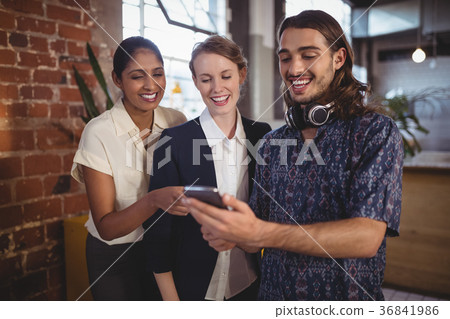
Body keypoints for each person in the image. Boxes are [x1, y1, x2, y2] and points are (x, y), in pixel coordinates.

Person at [184, 10, 403, 301]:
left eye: (308, 55)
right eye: (285, 57)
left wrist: (262, 233)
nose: (294, 68)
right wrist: (235, 233)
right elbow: (255, 237)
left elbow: (366, 238)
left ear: (338, 58)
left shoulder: (375, 132)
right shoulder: (272, 144)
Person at [143, 35, 272, 301]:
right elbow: (158, 230)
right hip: (192, 291)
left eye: (226, 76)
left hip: (250, 286)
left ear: (241, 75)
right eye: (206, 79)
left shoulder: (263, 136)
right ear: (195, 82)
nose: (217, 88)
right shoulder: (173, 141)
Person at [71, 36, 187, 300]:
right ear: (117, 79)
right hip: (116, 257)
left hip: (166, 249)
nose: (151, 85)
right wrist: (155, 200)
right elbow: (107, 227)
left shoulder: (176, 121)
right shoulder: (99, 131)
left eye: (158, 73)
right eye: (138, 76)